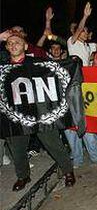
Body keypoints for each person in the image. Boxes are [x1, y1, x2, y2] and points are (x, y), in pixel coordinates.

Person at [2, 33, 75, 191]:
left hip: (40, 114)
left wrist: (72, 63)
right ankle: (23, 176)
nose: (13, 45)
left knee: (54, 144)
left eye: (17, 42)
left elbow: (57, 72)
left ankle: (68, 171)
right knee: (17, 149)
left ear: (25, 46)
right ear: (6, 47)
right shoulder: (2, 68)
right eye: (10, 43)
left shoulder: (38, 64)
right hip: (14, 117)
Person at [65, 2, 97, 168]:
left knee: (89, 120)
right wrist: (85, 16)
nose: (87, 33)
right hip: (73, 87)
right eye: (85, 31)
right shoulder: (71, 43)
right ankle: (77, 159)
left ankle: (96, 157)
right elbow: (79, 30)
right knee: (73, 123)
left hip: (87, 87)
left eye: (86, 31)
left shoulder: (88, 46)